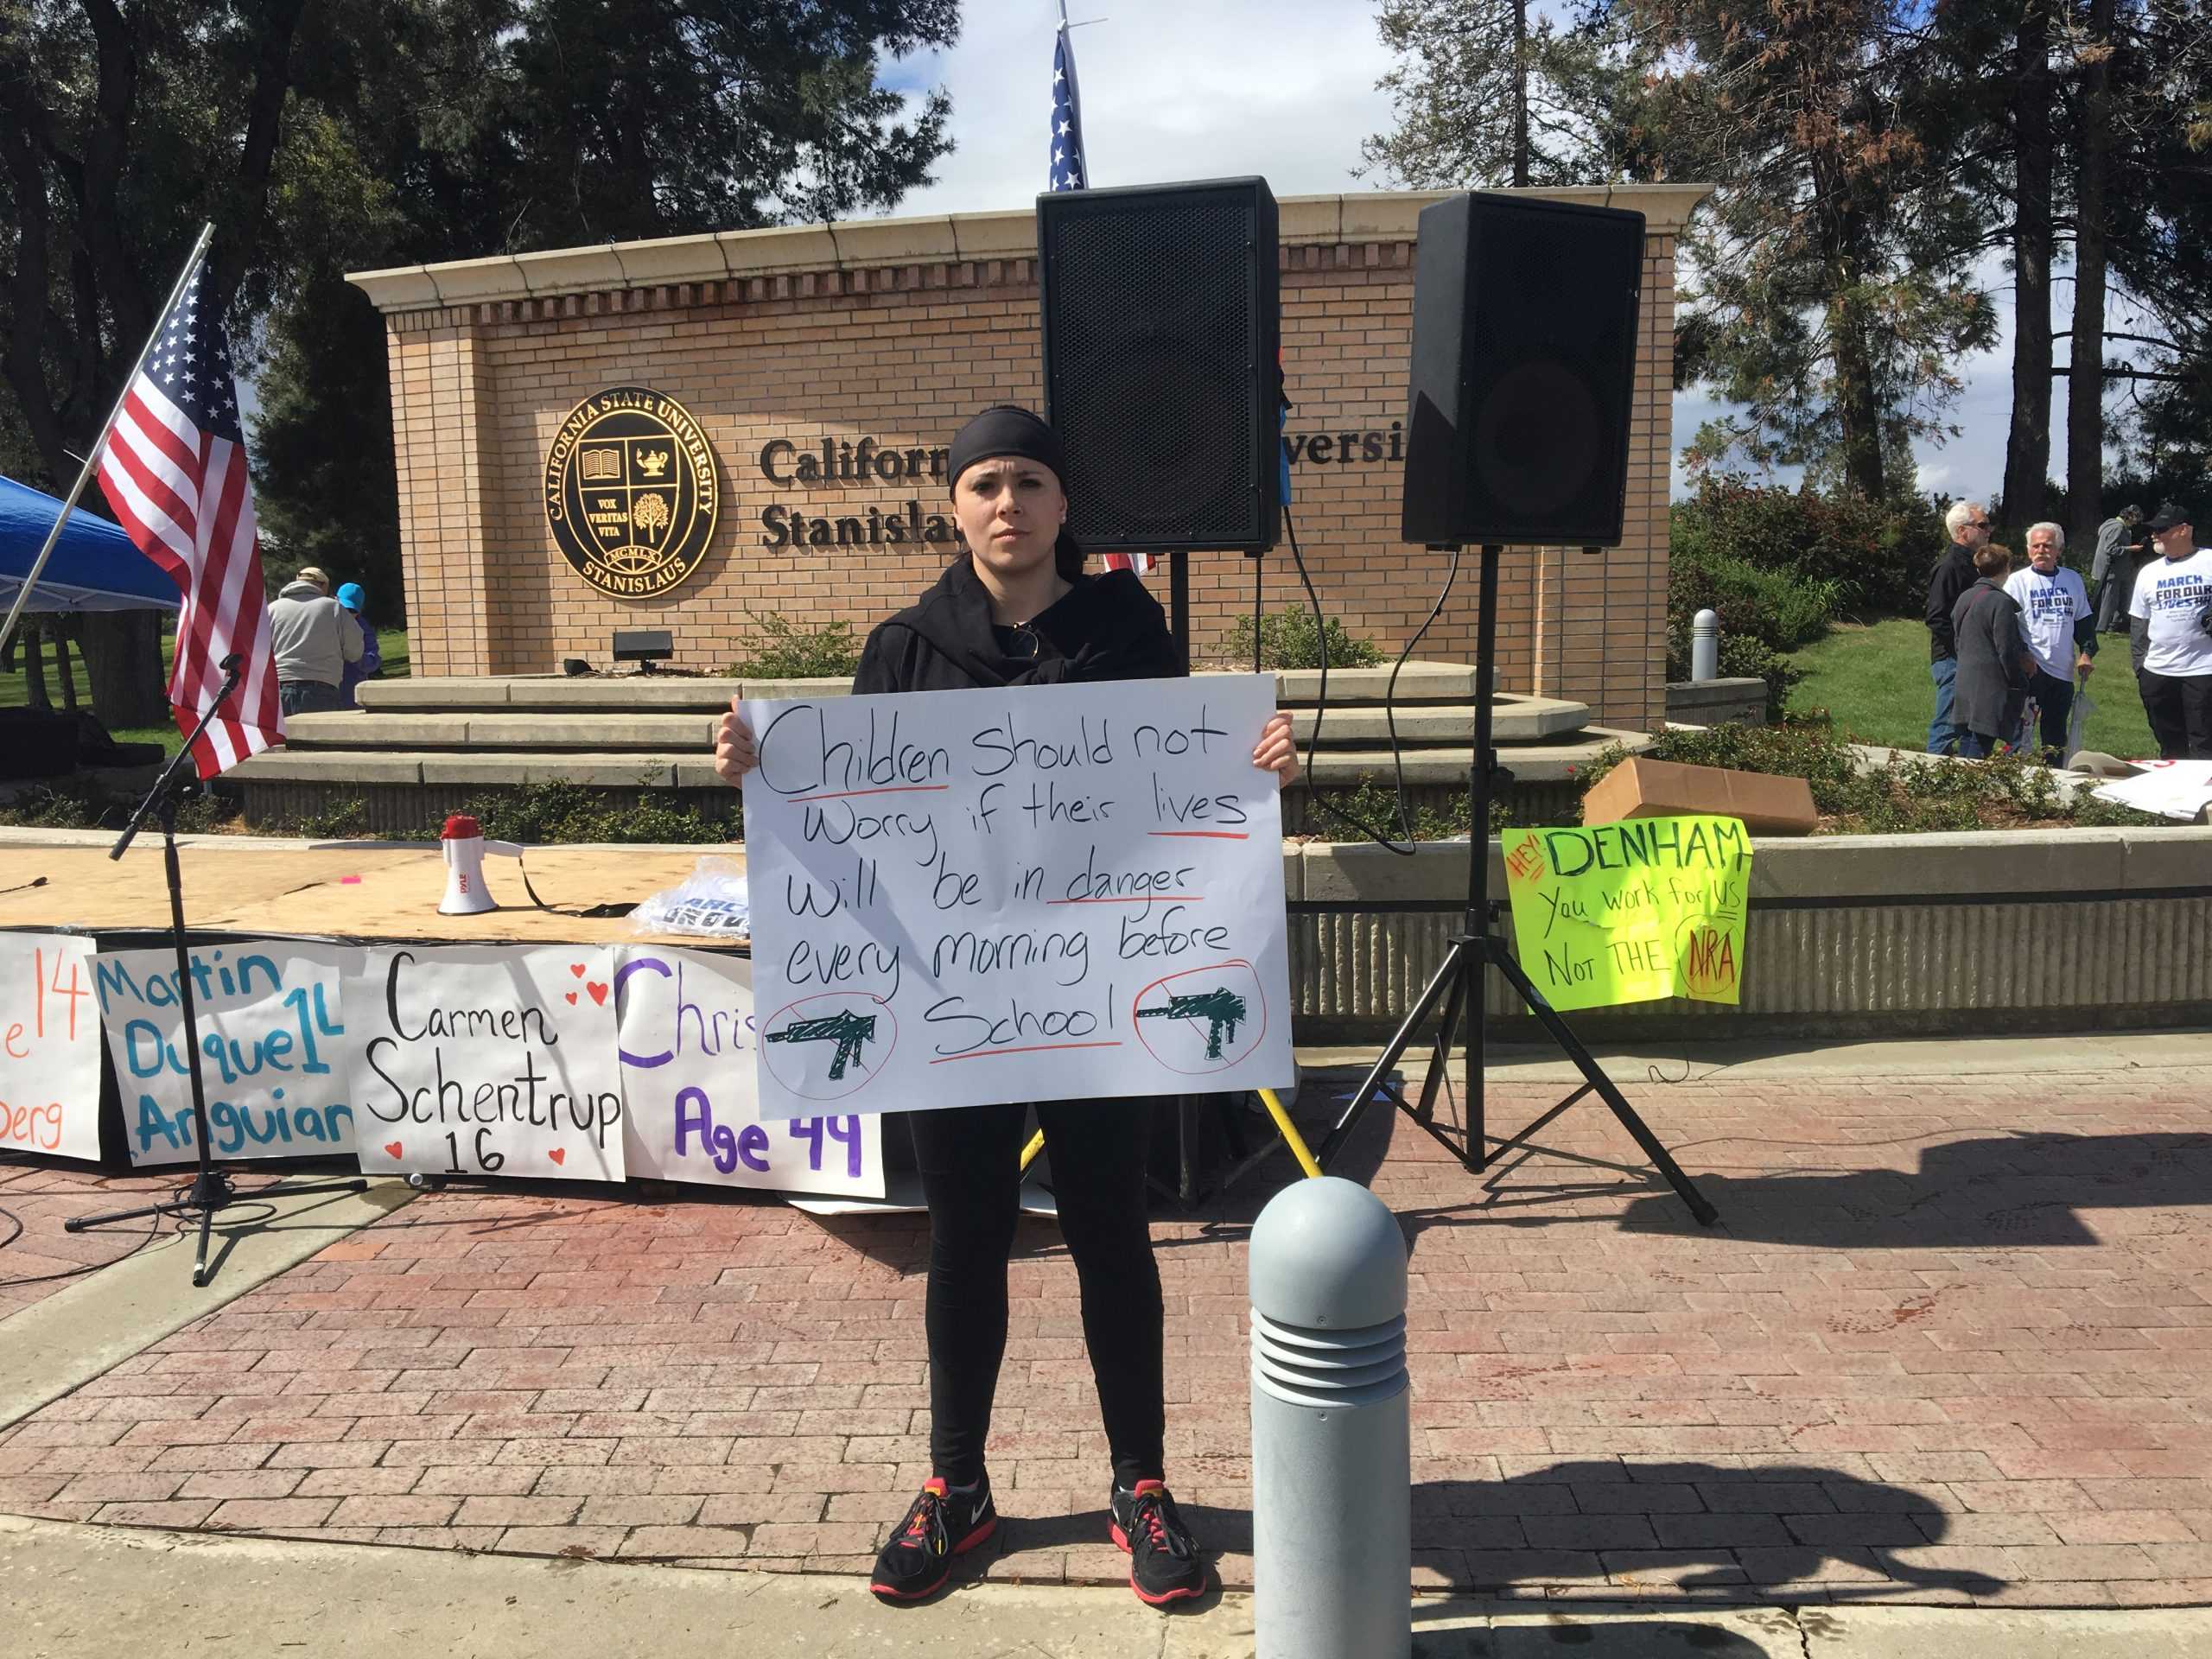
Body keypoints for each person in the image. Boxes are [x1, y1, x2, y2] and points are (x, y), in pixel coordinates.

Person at [710, 405, 1299, 1609]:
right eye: (984, 483)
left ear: (1063, 506)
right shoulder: (904, 650)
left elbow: (1181, 790)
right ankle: (957, 1489)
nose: (1007, 504)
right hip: (951, 1005)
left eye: (1029, 481)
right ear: (954, 505)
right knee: (966, 1239)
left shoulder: (1130, 633)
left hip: (1095, 995)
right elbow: (843, 822)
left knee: (1110, 1237)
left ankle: (1141, 1482)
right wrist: (758, 775)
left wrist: (1266, 761)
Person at [2002, 523, 2096, 763]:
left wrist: (2086, 653)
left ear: (2059, 549)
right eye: (2036, 545)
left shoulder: (2072, 579)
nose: (2041, 550)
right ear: (2028, 549)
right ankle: (2013, 775)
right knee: (2021, 730)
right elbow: (2007, 627)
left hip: (2062, 671)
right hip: (2031, 668)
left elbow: (2083, 622)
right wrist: (2023, 655)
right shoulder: (2017, 582)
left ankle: (2053, 779)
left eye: (2048, 545)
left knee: (2055, 735)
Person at [2128, 501, 2212, 760]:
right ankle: (2173, 797)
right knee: (2169, 745)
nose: (2155, 535)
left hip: (2203, 668)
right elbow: (2139, 622)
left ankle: (2203, 799)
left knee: (2204, 744)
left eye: (2162, 529)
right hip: (2157, 671)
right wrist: (2141, 668)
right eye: (2154, 529)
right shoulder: (2148, 572)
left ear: (2184, 530)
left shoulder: (2208, 560)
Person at [1950, 543, 2033, 760]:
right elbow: (2006, 649)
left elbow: (1957, 639)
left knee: (1968, 739)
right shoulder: (2000, 602)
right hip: (1990, 684)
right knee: (1981, 744)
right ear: (2006, 569)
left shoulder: (1964, 598)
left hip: (1965, 678)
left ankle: (1957, 789)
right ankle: (1969, 791)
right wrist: (2018, 680)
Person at [1924, 500, 1991, 754]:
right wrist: (1963, 650)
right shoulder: (1949, 567)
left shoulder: (1974, 566)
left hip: (1966, 658)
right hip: (1952, 659)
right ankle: (1930, 776)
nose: (1988, 531)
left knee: (1965, 724)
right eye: (1982, 525)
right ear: (1962, 531)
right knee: (1948, 723)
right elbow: (1936, 617)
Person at [268, 565, 364, 716]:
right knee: (321, 738)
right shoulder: (334, 608)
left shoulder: (272, 609)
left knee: (284, 740)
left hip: (278, 689)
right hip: (321, 689)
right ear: (324, 585)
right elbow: (355, 652)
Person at [2091, 504, 2148, 636]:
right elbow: (2110, 549)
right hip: (2111, 570)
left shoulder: (2110, 524)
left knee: (2116, 598)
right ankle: (2102, 628)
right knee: (2109, 600)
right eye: (2136, 518)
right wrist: (2131, 549)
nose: (2137, 521)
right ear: (2129, 516)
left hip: (2113, 570)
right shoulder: (2118, 527)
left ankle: (2114, 625)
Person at [334, 582, 383, 708]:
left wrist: (355, 656)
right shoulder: (325, 620)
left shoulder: (363, 628)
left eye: (352, 610)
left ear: (360, 610)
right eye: (343, 608)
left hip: (351, 690)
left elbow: (373, 659)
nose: (347, 614)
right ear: (335, 601)